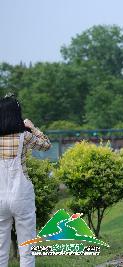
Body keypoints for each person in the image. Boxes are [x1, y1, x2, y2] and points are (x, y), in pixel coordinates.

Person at [0, 95, 51, 267]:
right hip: (22, 195)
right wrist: (32, 127)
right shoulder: (24, 136)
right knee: (27, 247)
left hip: (0, 197)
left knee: (0, 249)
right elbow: (46, 145)